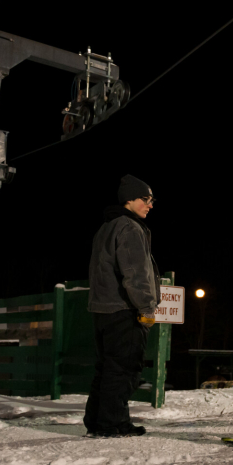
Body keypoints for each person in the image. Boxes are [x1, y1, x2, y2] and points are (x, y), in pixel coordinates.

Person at [84, 175, 160, 437]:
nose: (150, 205)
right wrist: (147, 307)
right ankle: (112, 424)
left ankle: (98, 421)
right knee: (125, 369)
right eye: (146, 199)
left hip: (102, 310)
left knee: (106, 368)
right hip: (123, 310)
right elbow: (135, 273)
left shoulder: (106, 227)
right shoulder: (129, 227)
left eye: (152, 201)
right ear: (130, 199)